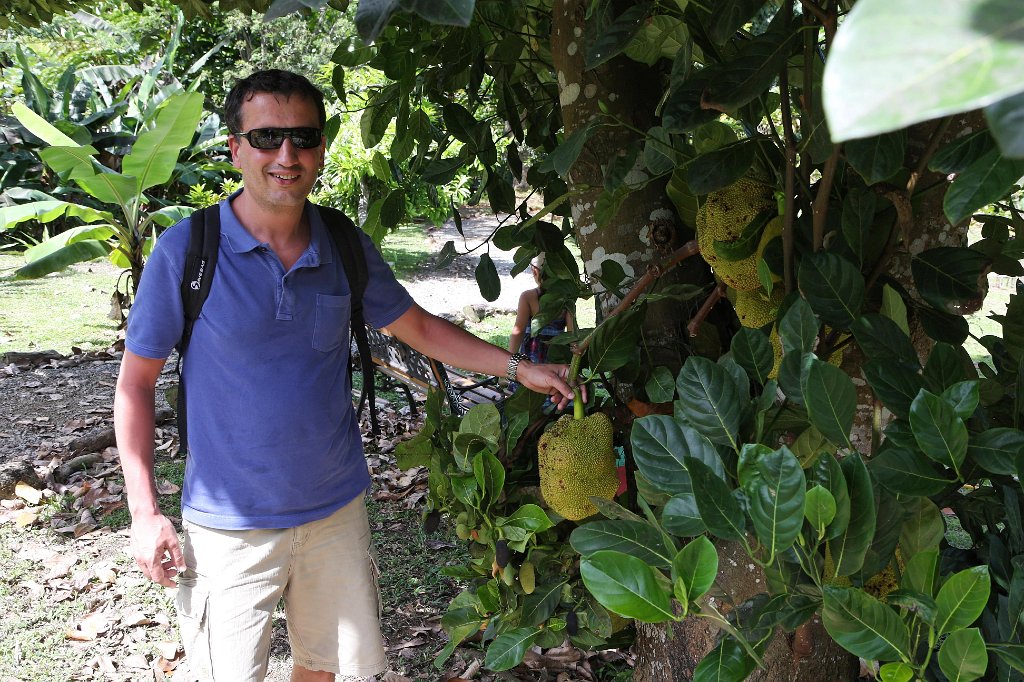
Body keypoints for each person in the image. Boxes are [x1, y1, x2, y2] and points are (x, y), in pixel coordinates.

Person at [113, 69, 577, 682]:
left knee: (325, 669)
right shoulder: (186, 251)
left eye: (303, 137)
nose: (286, 155)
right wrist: (144, 511)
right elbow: (135, 384)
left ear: (322, 148)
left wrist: (519, 366)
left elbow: (419, 327)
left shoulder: (344, 245)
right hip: (229, 525)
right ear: (235, 148)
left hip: (334, 511)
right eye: (267, 137)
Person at [507, 254, 573, 392]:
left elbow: (518, 331)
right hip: (556, 355)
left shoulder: (528, 297)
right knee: (555, 389)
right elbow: (572, 334)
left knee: (527, 391)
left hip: (531, 356)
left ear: (535, 271)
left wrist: (508, 363)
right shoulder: (567, 298)